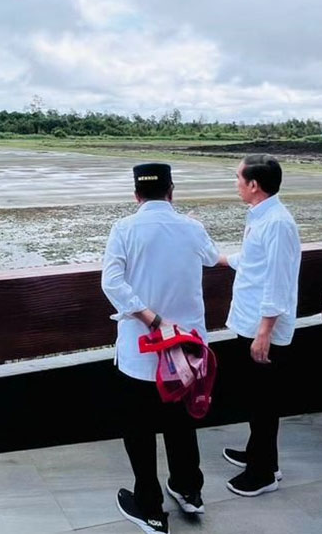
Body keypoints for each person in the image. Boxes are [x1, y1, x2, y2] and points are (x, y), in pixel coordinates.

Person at [101, 163, 220, 534]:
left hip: (141, 351)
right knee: (180, 421)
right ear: (172, 190)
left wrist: (151, 319)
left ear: (136, 194)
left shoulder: (124, 229)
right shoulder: (192, 227)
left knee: (138, 428)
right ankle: (189, 490)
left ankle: (150, 509)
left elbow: (111, 283)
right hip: (186, 350)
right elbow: (212, 258)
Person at [219, 154, 301, 497]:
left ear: (254, 185)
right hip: (251, 321)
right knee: (256, 398)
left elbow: (278, 280)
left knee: (263, 402)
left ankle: (263, 473)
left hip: (262, 328)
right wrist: (219, 257)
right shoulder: (261, 216)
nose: (235, 183)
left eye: (238, 178)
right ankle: (260, 455)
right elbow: (254, 262)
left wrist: (265, 331)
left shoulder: (277, 223)